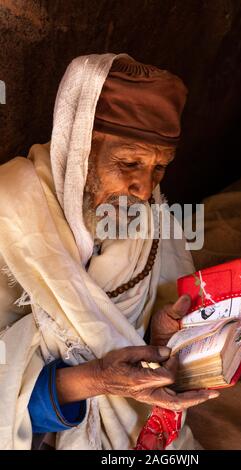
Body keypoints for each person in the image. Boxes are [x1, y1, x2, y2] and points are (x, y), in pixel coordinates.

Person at [0, 53, 218, 450]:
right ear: (79, 144)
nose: (144, 188)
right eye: (129, 162)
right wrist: (97, 378)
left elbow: (143, 333)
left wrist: (160, 335)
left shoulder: (150, 216)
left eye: (159, 168)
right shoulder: (9, 210)